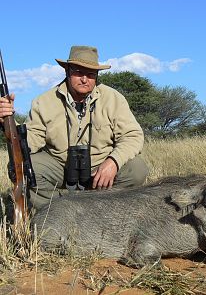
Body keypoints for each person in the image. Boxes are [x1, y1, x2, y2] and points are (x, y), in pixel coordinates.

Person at [0, 45, 149, 210]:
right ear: (67, 71)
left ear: (97, 76)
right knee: (23, 167)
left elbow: (133, 136)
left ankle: (99, 209)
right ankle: (61, 210)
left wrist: (113, 162)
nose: (85, 79)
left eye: (91, 74)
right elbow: (30, 143)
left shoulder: (114, 98)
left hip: (100, 167)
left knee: (137, 169)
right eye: (78, 72)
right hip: (61, 166)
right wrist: (9, 123)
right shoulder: (43, 101)